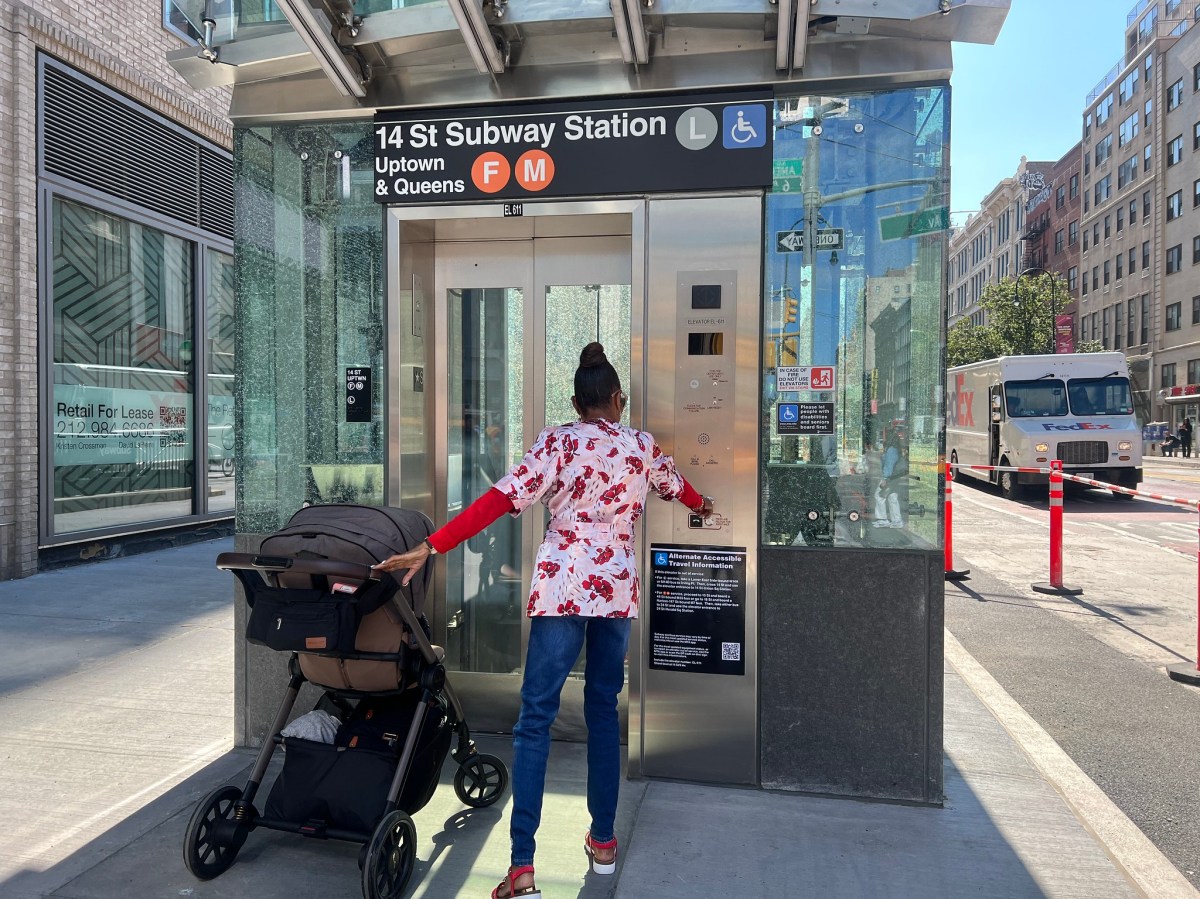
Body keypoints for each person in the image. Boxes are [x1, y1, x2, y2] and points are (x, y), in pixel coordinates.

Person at [372, 342, 715, 899]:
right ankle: (603, 843)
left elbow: (498, 501)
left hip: (561, 593)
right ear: (618, 399)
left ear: (576, 402)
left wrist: (431, 546)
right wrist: (704, 508)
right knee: (603, 713)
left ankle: (523, 868)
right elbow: (685, 493)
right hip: (614, 599)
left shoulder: (556, 442)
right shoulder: (641, 447)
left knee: (535, 721)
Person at [872, 430, 907, 529]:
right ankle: (897, 521)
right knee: (892, 498)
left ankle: (882, 520)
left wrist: (885, 479)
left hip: (890, 478)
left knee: (879, 496)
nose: (884, 439)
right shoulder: (896, 449)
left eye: (886, 437)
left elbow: (889, 466)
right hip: (895, 478)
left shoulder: (891, 450)